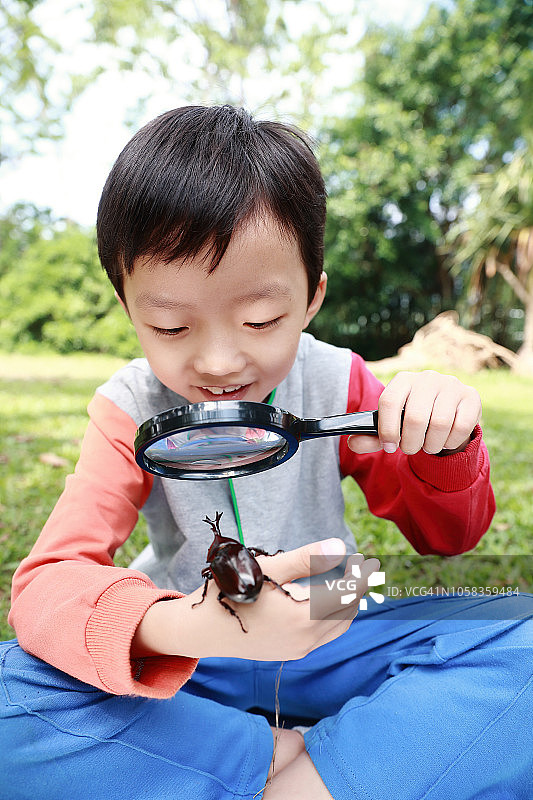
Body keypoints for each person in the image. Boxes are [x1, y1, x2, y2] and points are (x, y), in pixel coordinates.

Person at [1, 105, 531, 800]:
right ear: (129, 309)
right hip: (188, 635)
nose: (218, 361)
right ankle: (311, 762)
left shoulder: (341, 380)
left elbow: (448, 535)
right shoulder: (126, 407)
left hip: (334, 607)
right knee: (15, 687)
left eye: (260, 320)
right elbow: (47, 582)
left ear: (311, 298)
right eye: (169, 324)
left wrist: (443, 447)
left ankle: (260, 775)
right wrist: (185, 622)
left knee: (519, 636)